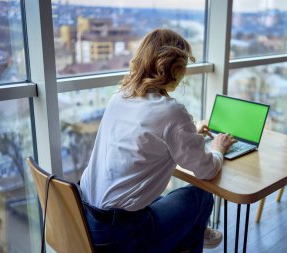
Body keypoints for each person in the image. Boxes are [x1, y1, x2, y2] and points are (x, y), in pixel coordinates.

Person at [80, 28, 237, 253]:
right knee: (202, 197)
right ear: (175, 69)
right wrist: (218, 149)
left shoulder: (120, 96)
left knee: (165, 200)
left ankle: (190, 232)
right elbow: (205, 170)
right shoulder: (171, 112)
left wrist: (189, 133)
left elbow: (147, 140)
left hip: (88, 222)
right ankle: (191, 233)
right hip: (123, 236)